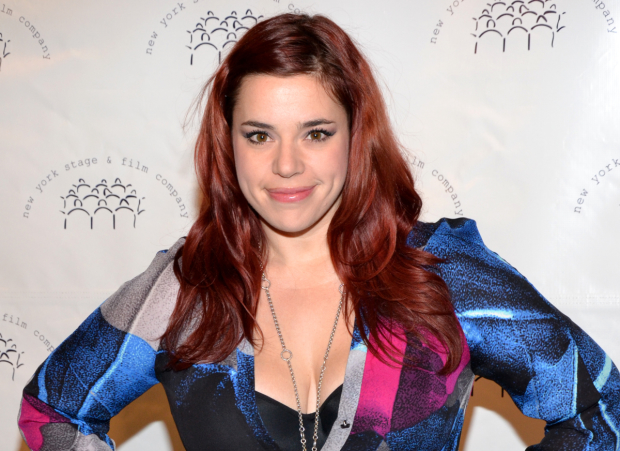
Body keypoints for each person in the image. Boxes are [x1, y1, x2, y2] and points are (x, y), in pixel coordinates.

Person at [17, 12, 620, 451]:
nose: (286, 164)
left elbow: (602, 412)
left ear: (357, 137)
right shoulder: (185, 291)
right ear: (228, 145)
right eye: (259, 135)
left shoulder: (443, 277)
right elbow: (52, 414)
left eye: (316, 133)